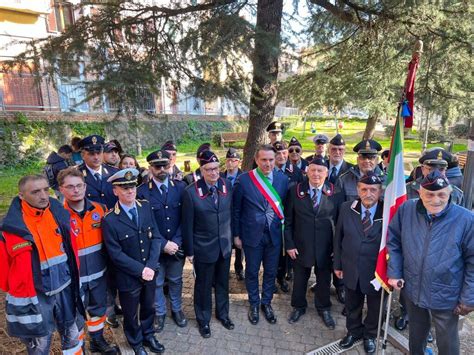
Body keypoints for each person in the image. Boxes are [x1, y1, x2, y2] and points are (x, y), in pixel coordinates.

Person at [387, 171, 474, 355]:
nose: (436, 200)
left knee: (447, 339)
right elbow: (393, 239)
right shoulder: (406, 210)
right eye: (430, 194)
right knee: (416, 333)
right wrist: (394, 271)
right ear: (420, 192)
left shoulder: (466, 219)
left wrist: (468, 298)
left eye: (441, 194)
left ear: (450, 193)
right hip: (413, 287)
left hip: (446, 292)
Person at [0, 175, 84, 354]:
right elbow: (3, 273)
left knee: (72, 337)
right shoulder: (10, 228)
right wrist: (22, 286)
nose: (44, 196)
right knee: (40, 344)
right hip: (35, 297)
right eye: (36, 192)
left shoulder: (59, 215)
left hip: (65, 289)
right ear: (21, 196)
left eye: (46, 189)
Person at [102, 168, 164, 355]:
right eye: (124, 187)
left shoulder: (145, 207)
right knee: (130, 313)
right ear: (115, 191)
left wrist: (151, 266)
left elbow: (156, 238)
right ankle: (136, 342)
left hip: (150, 271)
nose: (130, 191)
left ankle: (148, 335)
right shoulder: (110, 219)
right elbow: (115, 253)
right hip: (128, 276)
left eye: (132, 186)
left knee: (149, 307)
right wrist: (141, 270)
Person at [58, 167, 119, 354]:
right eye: (70, 187)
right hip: (73, 280)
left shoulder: (100, 210)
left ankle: (97, 341)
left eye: (79, 186)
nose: (75, 190)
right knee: (75, 318)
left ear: (85, 186)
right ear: (61, 189)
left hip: (98, 275)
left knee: (98, 310)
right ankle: (79, 348)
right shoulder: (57, 216)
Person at [232, 144, 288, 325]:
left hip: (274, 236)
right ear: (256, 160)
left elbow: (285, 209)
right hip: (251, 235)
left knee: (271, 271)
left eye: (271, 160)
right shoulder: (244, 180)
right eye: (264, 160)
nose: (268, 164)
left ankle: (267, 303)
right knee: (252, 271)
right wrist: (236, 235)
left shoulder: (282, 179)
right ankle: (254, 304)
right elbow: (236, 210)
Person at [285, 156, 342, 329]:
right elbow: (287, 221)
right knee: (300, 280)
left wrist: (337, 249)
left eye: (320, 170)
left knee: (324, 281)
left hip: (326, 248)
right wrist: (289, 244)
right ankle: (298, 307)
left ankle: (323, 308)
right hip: (301, 246)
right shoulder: (295, 191)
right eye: (313, 170)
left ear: (326, 173)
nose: (316, 174)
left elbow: (340, 224)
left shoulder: (336, 192)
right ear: (307, 171)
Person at [182, 150, 234, 338]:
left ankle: (223, 314)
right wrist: (189, 250)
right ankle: (203, 320)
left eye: (216, 168)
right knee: (203, 286)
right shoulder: (191, 192)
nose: (214, 173)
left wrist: (232, 239)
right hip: (203, 248)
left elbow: (230, 215)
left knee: (222, 284)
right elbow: (187, 224)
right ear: (202, 170)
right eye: (209, 170)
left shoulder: (227, 185)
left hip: (224, 246)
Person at [137, 150, 188, 332]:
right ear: (150, 168)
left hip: (177, 245)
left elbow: (186, 218)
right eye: (157, 166)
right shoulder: (142, 192)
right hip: (154, 248)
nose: (161, 170)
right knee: (157, 282)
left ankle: (177, 309)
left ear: (171, 165)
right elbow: (145, 223)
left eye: (165, 165)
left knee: (176, 279)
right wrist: (163, 244)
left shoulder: (181, 188)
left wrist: (176, 241)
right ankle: (159, 313)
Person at [334, 172, 385, 354]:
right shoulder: (347, 207)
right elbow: (338, 237)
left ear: (380, 191)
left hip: (377, 272)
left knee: (375, 307)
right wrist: (338, 265)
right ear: (358, 190)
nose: (368, 193)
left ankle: (370, 335)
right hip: (351, 267)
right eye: (364, 189)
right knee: (352, 304)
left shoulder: (387, 211)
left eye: (373, 189)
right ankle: (353, 331)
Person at [220, 147, 245, 281]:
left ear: (238, 162)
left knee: (240, 246)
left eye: (233, 160)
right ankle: (225, 269)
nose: (230, 163)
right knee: (226, 244)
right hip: (225, 217)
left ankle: (239, 268)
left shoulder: (244, 177)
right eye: (228, 160)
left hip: (240, 216)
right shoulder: (220, 177)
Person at [77, 135, 118, 209]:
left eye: (98, 153)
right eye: (91, 154)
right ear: (83, 155)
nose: (96, 157)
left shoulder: (114, 172)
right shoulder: (77, 176)